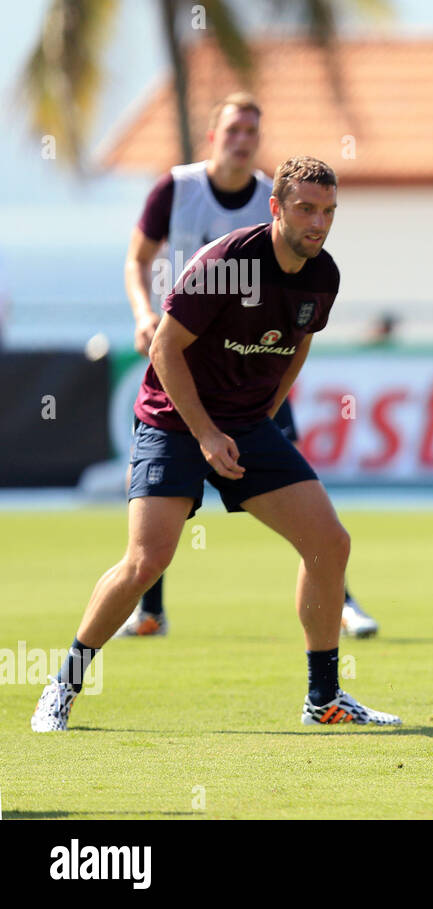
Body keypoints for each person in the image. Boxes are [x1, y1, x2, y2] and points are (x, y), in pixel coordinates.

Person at [32, 156, 399, 732]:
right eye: (305, 208)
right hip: (173, 420)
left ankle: (324, 699)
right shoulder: (226, 263)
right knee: (146, 561)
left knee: (329, 543)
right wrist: (205, 433)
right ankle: (62, 685)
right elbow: (164, 351)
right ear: (275, 207)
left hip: (246, 426)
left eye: (328, 211)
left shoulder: (322, 273)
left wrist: (264, 418)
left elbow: (299, 344)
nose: (318, 222)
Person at [120, 91, 378, 638]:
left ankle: (341, 606)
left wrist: (268, 402)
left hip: (253, 373)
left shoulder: (280, 195)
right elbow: (138, 260)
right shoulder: (177, 188)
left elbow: (303, 331)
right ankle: (149, 610)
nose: (242, 140)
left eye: (251, 132)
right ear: (213, 136)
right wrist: (145, 313)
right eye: (232, 129)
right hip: (183, 359)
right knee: (154, 522)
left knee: (315, 518)